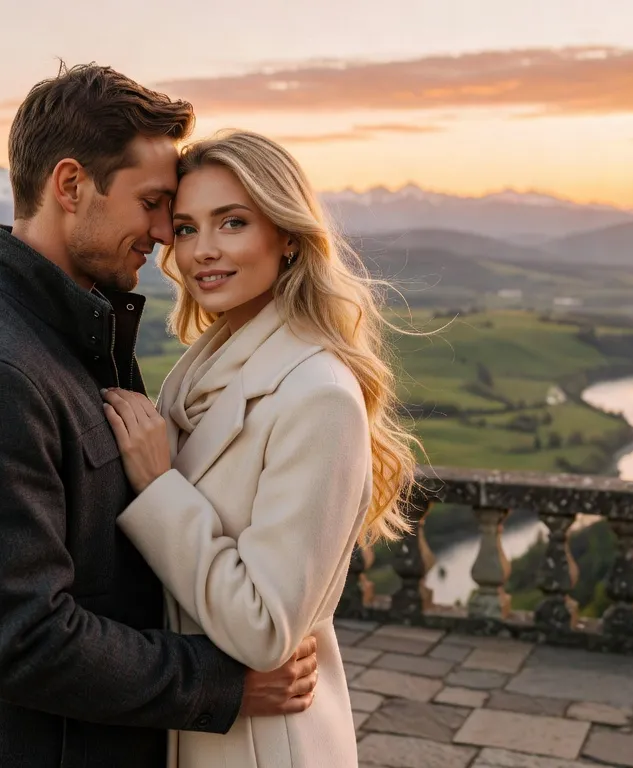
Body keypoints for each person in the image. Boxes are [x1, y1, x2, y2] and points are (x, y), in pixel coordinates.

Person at [0, 65, 320, 768]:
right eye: (152, 203)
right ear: (70, 186)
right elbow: (23, 640)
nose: (163, 233)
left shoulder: (79, 339)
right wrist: (222, 682)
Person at [101, 130, 420, 767]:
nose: (203, 252)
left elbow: (264, 628)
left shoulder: (317, 394)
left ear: (289, 238)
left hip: (264, 747)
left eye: (233, 222)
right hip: (198, 726)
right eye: (186, 228)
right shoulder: (199, 374)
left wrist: (159, 486)